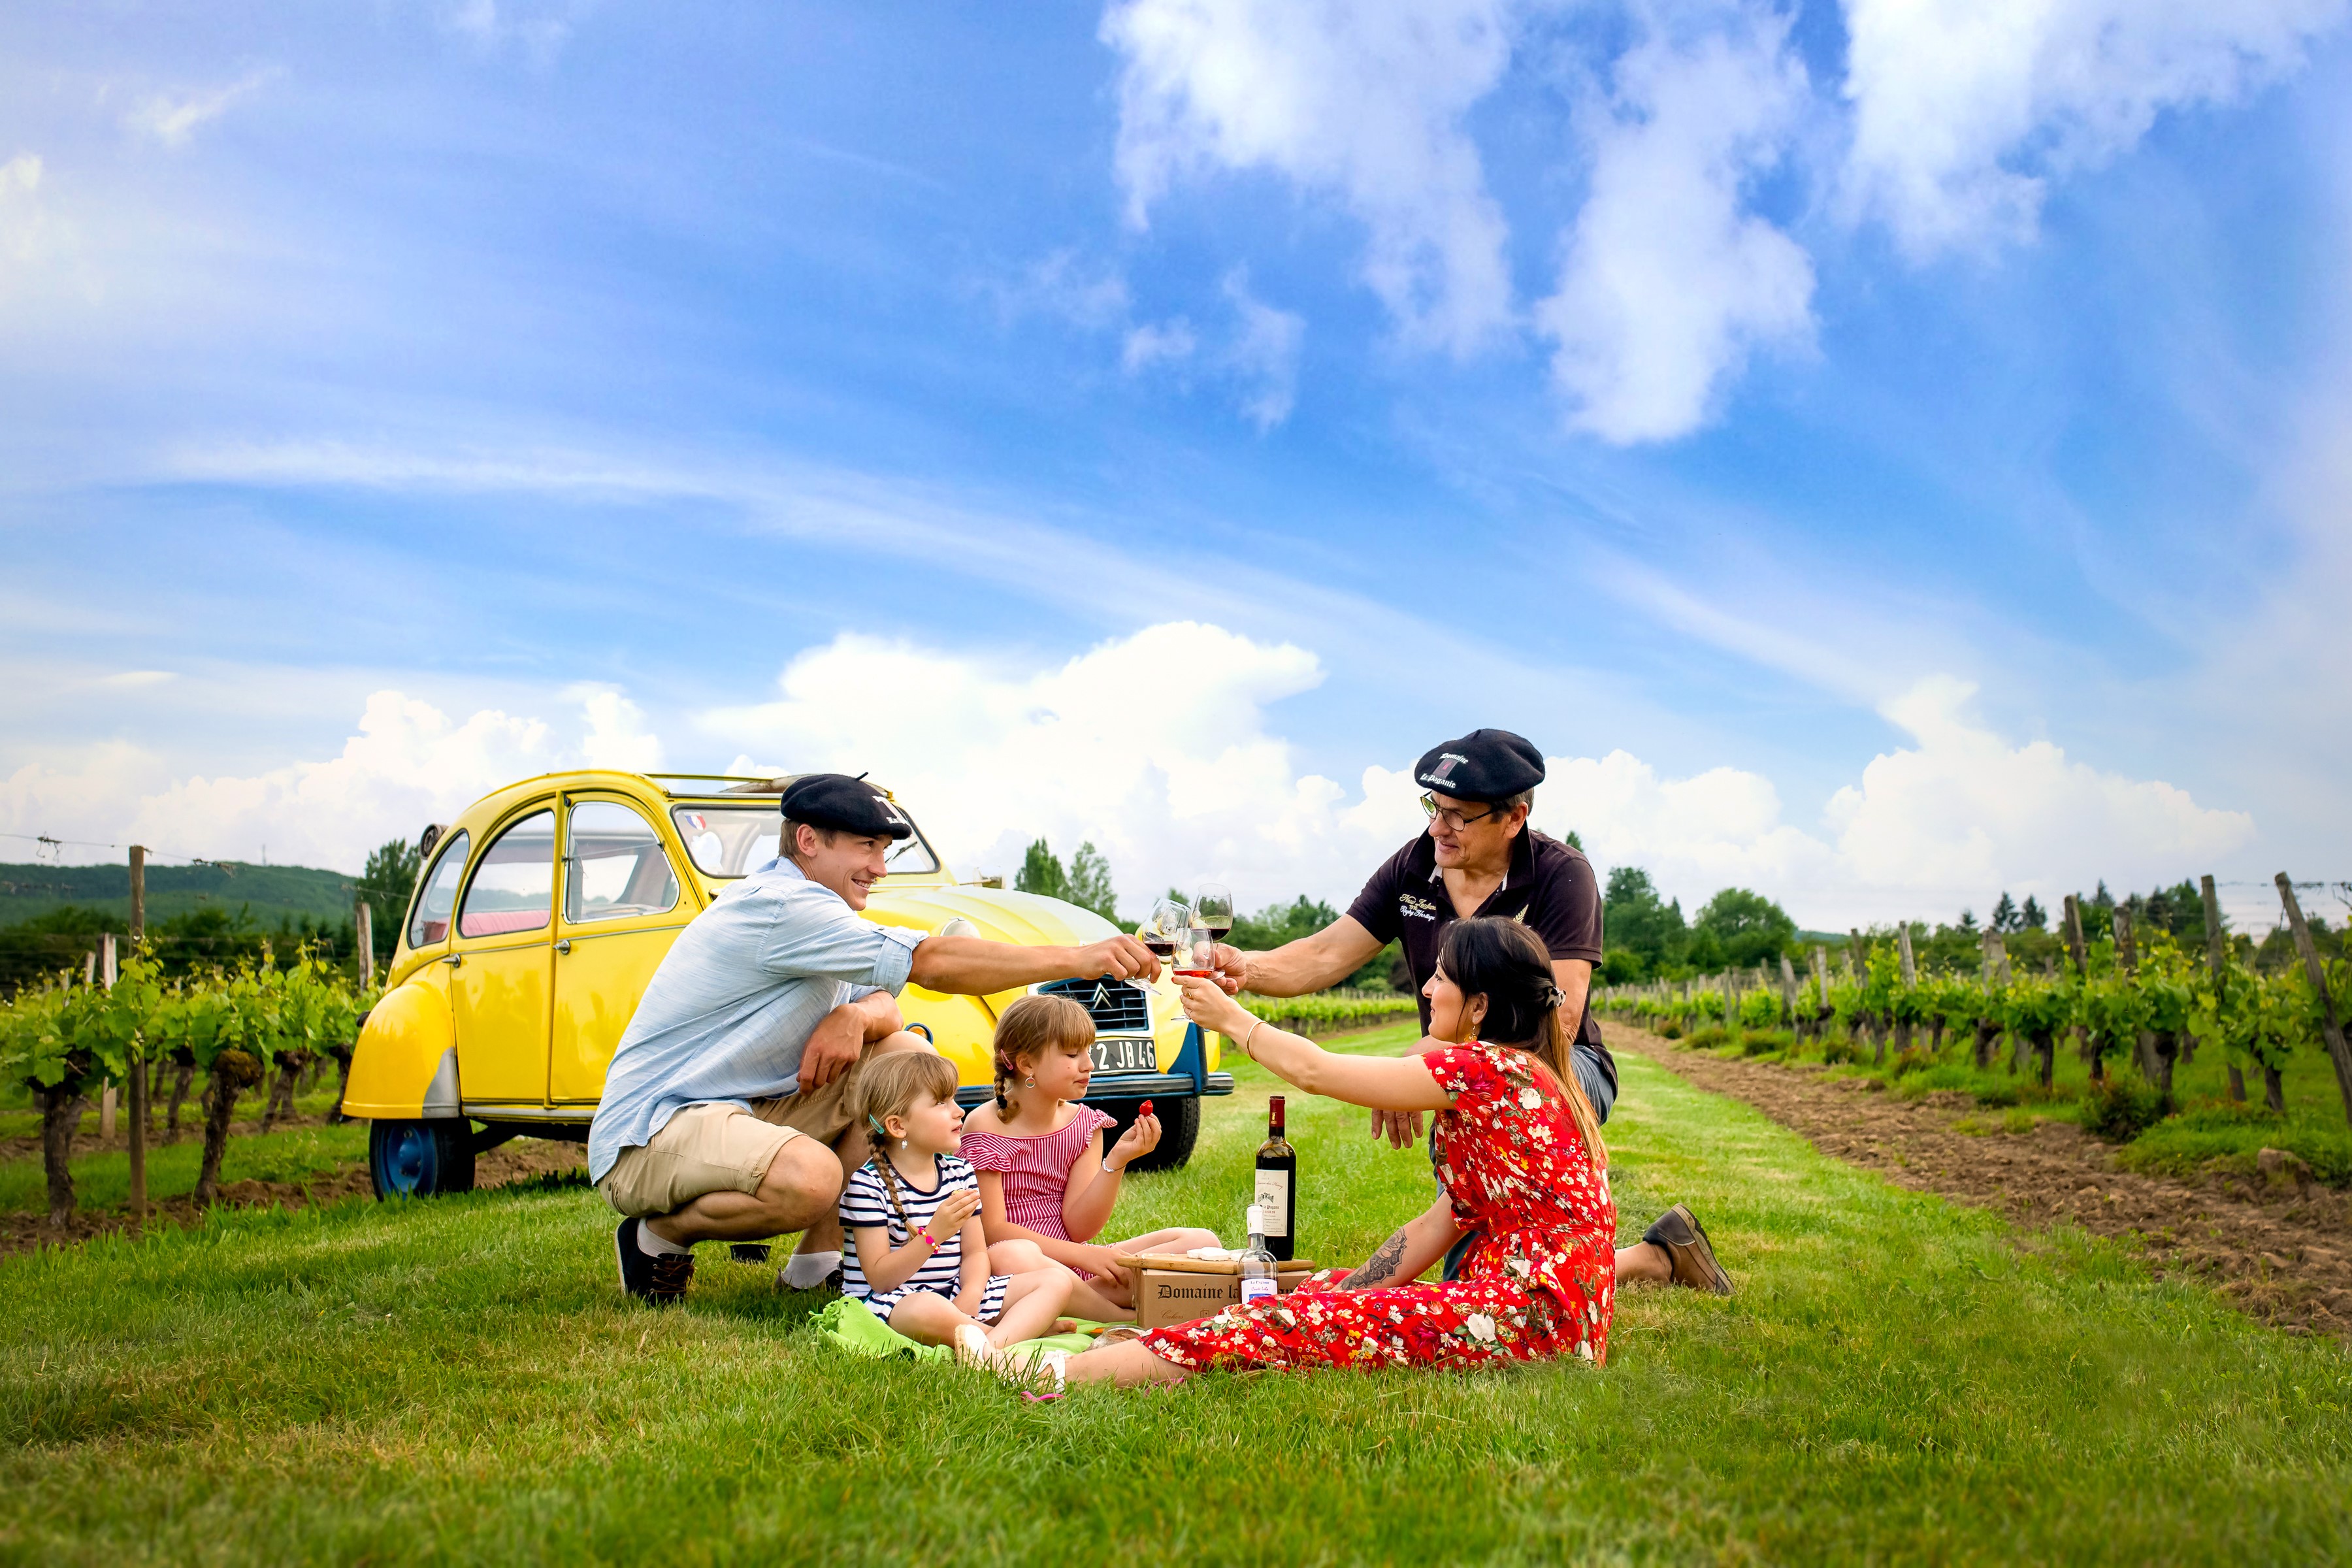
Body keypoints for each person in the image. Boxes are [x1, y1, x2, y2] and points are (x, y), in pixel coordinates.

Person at [590, 772, 1163, 1305]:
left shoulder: (826, 910)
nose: (881, 868)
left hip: (743, 1110)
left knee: (907, 1060)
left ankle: (816, 1261)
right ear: (809, 841)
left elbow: (891, 1003)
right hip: (654, 1129)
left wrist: (860, 1016)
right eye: (867, 848)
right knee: (814, 1177)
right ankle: (655, 1238)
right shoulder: (783, 907)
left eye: (884, 852)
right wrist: (1081, 957)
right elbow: (930, 964)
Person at [1205, 728, 1728, 1296]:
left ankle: (1597, 1269)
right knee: (1477, 1267)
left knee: (1480, 1275)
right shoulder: (1413, 867)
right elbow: (1328, 953)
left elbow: (1561, 1017)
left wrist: (1422, 1069)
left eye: (1458, 816)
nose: (1437, 828)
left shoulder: (1561, 874)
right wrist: (1246, 969)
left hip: (1563, 1065)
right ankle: (1655, 1257)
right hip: (1463, 1071)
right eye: (1435, 808)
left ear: (1513, 817)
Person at [1051, 917, 1614, 1389]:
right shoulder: (1522, 1077)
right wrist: (1343, 1292)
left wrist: (1231, 1019)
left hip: (1531, 1318)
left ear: (1479, 1006)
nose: (1426, 989)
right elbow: (1436, 1225)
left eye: (1441, 977)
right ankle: (1144, 1335)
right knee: (1315, 1291)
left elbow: (1317, 1072)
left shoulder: (1488, 1069)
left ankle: (1064, 1373)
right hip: (1537, 1310)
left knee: (1287, 1321)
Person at [958, 994, 1220, 1316]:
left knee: (1201, 1242)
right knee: (1013, 1252)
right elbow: (993, 1230)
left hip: (1077, 1264)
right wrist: (1087, 1257)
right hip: (1016, 1267)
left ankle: (1079, 1301)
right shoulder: (985, 1125)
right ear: (1027, 1064)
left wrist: (1117, 1161)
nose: (1089, 1065)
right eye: (1072, 1054)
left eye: (1088, 1051)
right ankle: (1115, 1312)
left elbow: (1080, 1228)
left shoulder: (1085, 1124)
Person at [839, 1051, 1076, 1361]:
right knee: (925, 1307)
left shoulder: (959, 1172)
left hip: (953, 1293)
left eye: (953, 1099)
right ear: (898, 1126)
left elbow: (976, 1253)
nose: (958, 1111)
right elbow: (881, 1280)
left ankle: (986, 1348)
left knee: (1055, 1281)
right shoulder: (868, 1186)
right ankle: (1002, 1339)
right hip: (891, 1303)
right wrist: (933, 1235)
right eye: (941, 1103)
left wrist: (971, 1294)